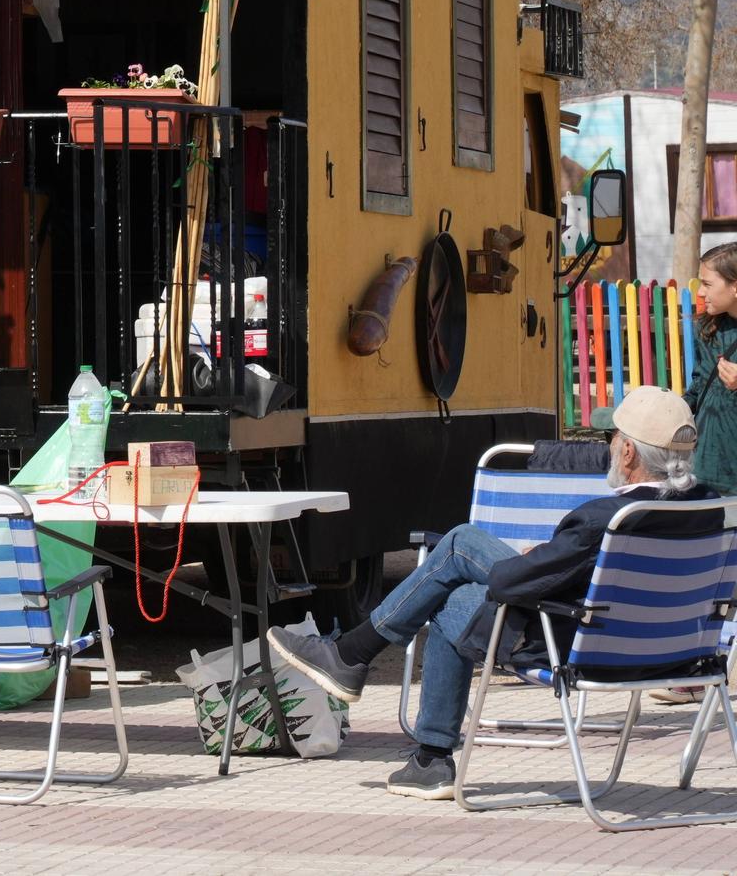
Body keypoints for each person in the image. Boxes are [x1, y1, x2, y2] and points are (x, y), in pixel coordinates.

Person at [267, 385, 713, 802]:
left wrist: (538, 559)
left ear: (629, 451)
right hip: (671, 653)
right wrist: (549, 557)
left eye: (613, 437)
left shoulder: (604, 519)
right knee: (457, 556)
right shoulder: (710, 511)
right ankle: (364, 673)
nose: (611, 445)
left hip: (564, 644)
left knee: (450, 574)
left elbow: (508, 585)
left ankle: (399, 716)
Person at [685, 241, 737, 495]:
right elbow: (698, 387)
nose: (701, 293)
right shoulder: (706, 328)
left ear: (735, 286)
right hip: (704, 471)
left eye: (707, 284)